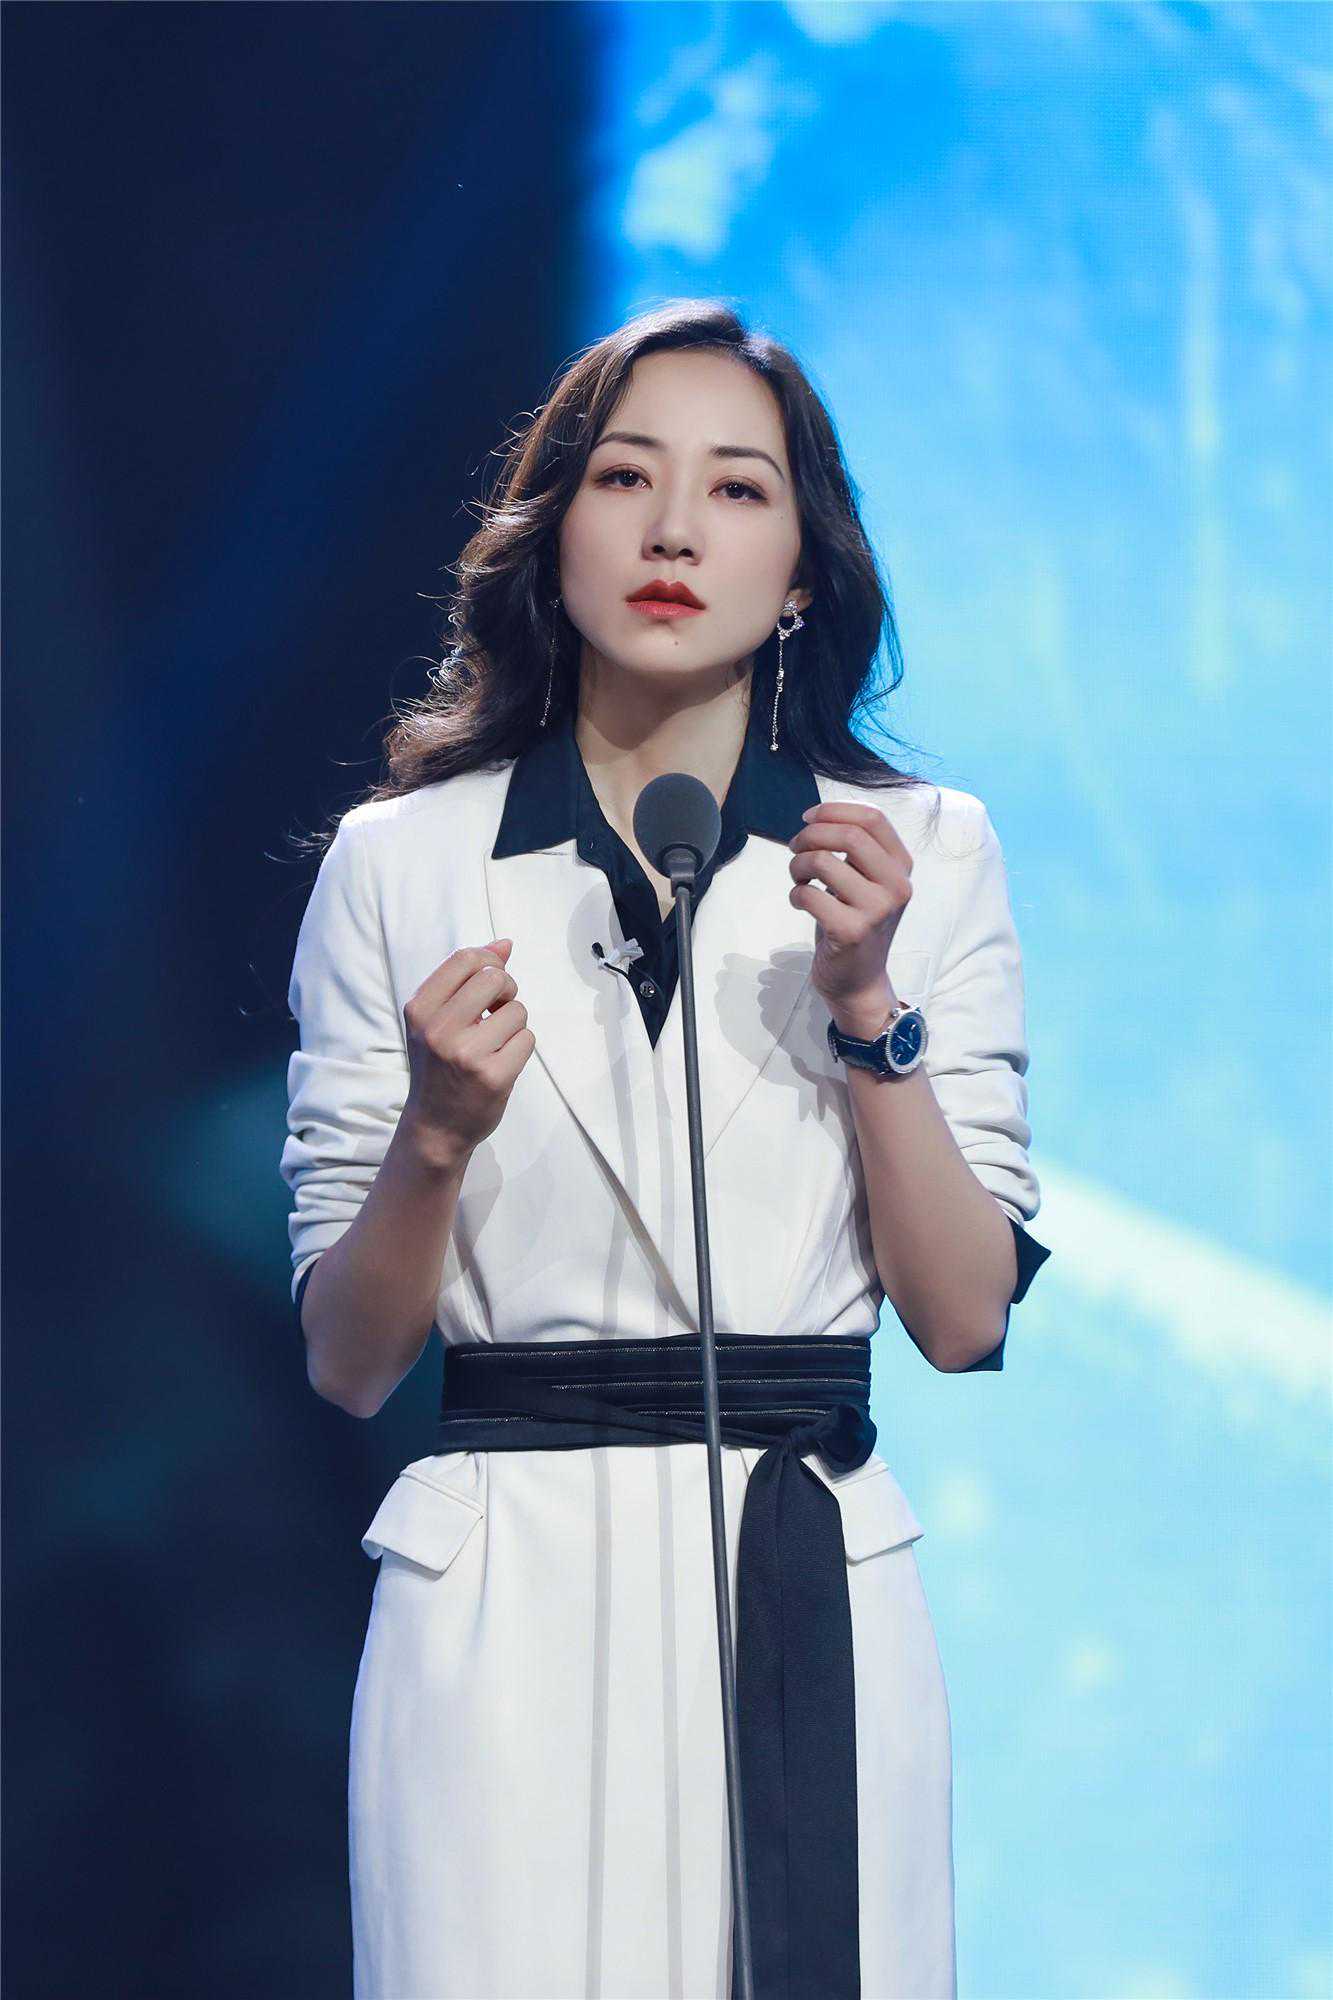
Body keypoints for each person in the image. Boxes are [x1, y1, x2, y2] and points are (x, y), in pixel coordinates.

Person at [280, 299, 1052, 2000]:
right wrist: (434, 1138)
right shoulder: (400, 864)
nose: (675, 530)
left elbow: (962, 1317)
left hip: (800, 1591)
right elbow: (348, 1359)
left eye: (736, 488)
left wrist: (868, 1009)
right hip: (499, 1618)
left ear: (802, 572)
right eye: (626, 477)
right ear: (551, 532)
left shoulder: (921, 855)